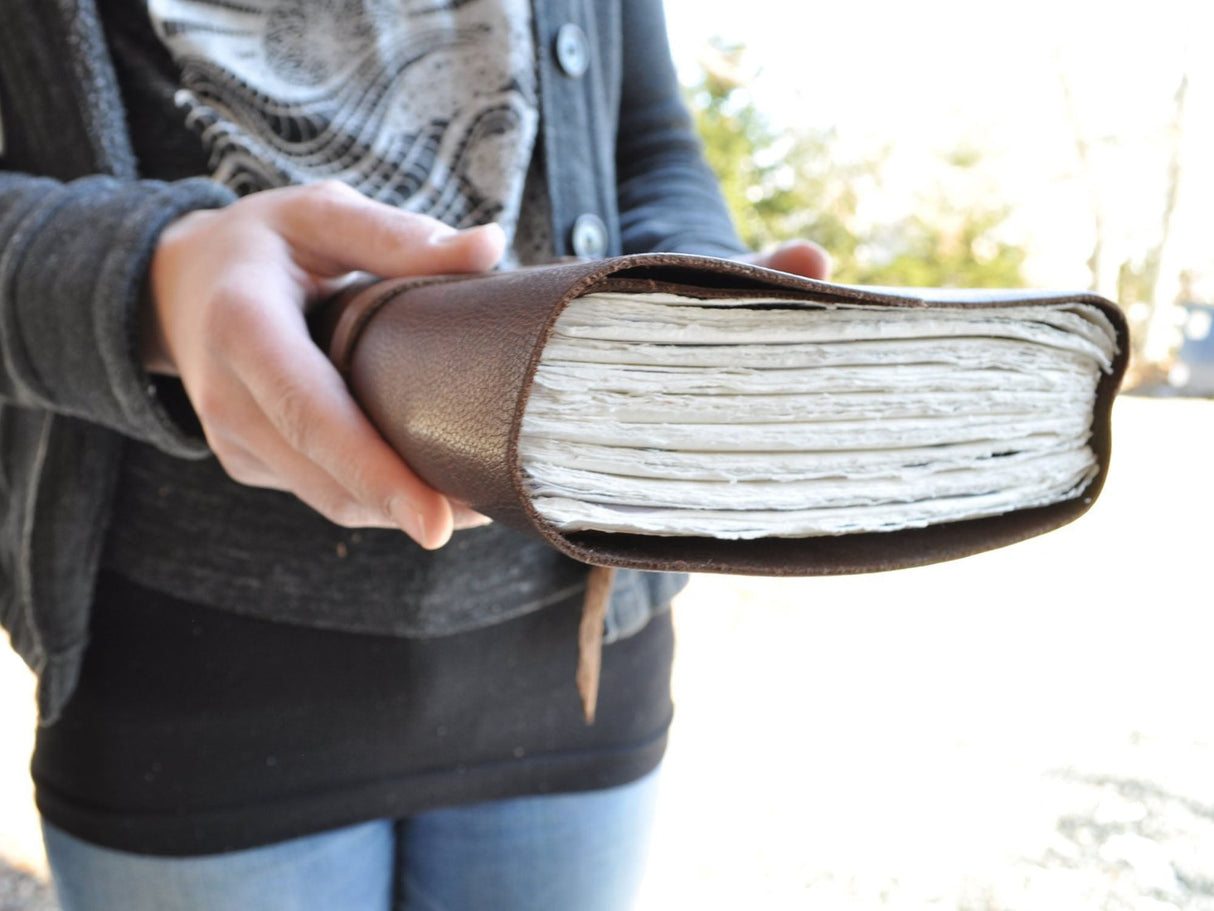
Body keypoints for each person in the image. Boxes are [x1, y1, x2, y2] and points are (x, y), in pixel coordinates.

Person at [0, 1, 827, 908]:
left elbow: (649, 142)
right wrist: (153, 278)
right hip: (185, 680)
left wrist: (700, 293)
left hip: (572, 658)